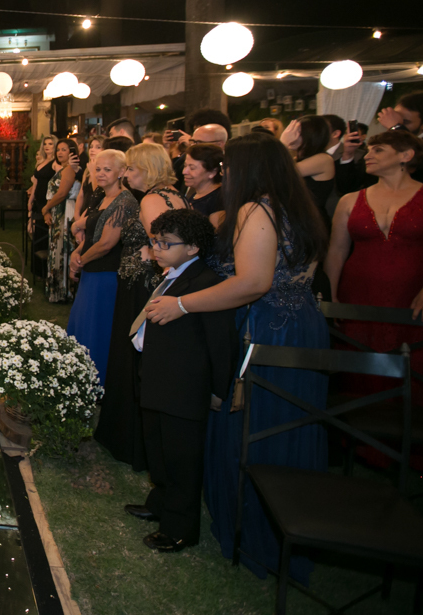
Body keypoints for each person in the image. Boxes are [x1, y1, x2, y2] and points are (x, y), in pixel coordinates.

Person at [144, 131, 330, 584]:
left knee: (253, 430)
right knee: (284, 426)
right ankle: (287, 525)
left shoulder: (256, 210)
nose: (225, 173)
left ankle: (255, 528)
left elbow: (252, 283)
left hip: (264, 329)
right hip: (300, 327)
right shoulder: (298, 206)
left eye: (230, 166)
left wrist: (183, 303)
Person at [126, 209, 236, 553]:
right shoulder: (172, 274)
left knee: (180, 458)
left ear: (192, 247)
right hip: (158, 378)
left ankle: (180, 528)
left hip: (183, 386)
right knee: (158, 449)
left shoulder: (206, 284)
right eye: (154, 241)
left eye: (165, 243)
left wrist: (218, 388)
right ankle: (160, 502)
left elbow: (220, 341)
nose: (156, 249)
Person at [326, 130, 423, 406]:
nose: (368, 155)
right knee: (360, 364)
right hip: (358, 294)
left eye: (378, 150)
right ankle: (358, 429)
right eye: (369, 150)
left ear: (405, 155)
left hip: (413, 295)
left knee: (414, 362)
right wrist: (330, 294)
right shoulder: (350, 199)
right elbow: (336, 251)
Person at [95, 143, 184, 471]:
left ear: (147, 169)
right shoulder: (175, 195)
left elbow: (166, 247)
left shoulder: (150, 199)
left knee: (131, 355)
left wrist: (150, 253)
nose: (127, 174)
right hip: (153, 282)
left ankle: (126, 436)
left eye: (132, 169)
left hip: (140, 283)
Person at [66, 149, 131, 383]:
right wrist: (76, 252)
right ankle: (76, 377)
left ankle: (95, 382)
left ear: (121, 172)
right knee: (81, 324)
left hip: (106, 274)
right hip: (91, 271)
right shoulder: (101, 196)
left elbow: (106, 244)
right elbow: (91, 233)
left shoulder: (124, 201)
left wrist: (80, 260)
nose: (101, 173)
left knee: (97, 329)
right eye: (98, 169)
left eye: (107, 169)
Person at [42, 139, 78, 304]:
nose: (60, 152)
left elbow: (62, 193)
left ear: (71, 151)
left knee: (63, 250)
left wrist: (46, 208)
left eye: (64, 149)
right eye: (58, 150)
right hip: (57, 212)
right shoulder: (63, 169)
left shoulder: (70, 170)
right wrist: (48, 211)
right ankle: (57, 289)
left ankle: (64, 290)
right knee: (56, 249)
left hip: (65, 212)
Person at [281, 115, 336, 223]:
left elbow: (279, 171)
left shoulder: (324, 159)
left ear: (312, 136)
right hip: (300, 219)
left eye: (297, 132)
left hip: (312, 222)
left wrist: (283, 143)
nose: (292, 136)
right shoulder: (298, 160)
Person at [377, 90, 423, 185]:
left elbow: (419, 168)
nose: (395, 125)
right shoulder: (382, 141)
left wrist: (396, 128)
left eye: (405, 122)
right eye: (395, 119)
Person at [28, 136, 58, 278]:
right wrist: (31, 199)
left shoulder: (55, 163)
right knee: (37, 233)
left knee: (44, 234)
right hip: (38, 201)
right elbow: (36, 183)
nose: (47, 146)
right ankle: (36, 270)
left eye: (50, 144)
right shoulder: (42, 161)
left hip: (47, 202)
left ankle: (44, 271)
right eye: (45, 144)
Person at [183, 143, 224, 227]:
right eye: (185, 166)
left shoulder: (218, 200)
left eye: (192, 168)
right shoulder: (196, 194)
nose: (184, 172)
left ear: (212, 172)